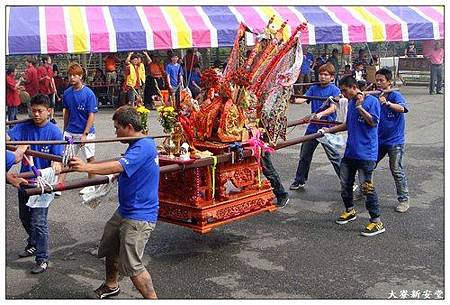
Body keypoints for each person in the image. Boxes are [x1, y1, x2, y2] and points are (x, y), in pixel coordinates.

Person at [69, 106, 159, 299]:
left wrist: (85, 166)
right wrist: (88, 166)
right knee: (111, 246)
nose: (115, 131)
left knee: (133, 265)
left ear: (128, 127)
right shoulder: (136, 144)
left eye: (117, 127)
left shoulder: (144, 145)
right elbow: (120, 160)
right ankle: (111, 285)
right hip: (125, 210)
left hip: (139, 215)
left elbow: (119, 165)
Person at [7, 94, 63, 272]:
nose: (36, 114)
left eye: (40, 111)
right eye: (33, 111)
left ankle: (42, 258)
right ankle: (33, 242)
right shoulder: (24, 126)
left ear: (49, 111)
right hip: (24, 180)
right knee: (25, 217)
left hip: (43, 184)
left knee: (39, 222)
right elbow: (8, 140)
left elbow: (58, 158)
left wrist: (56, 163)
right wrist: (14, 145)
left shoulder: (54, 131)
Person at [323, 75, 384, 237]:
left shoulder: (371, 101)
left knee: (367, 188)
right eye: (341, 90)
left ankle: (376, 222)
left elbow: (373, 122)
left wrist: (360, 107)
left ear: (353, 86)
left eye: (345, 90)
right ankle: (350, 211)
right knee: (345, 184)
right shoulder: (350, 102)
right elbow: (348, 124)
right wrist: (327, 131)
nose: (343, 93)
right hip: (350, 152)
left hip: (366, 154)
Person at [290, 63, 341, 190]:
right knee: (304, 155)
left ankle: (347, 181)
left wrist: (320, 114)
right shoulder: (314, 88)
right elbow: (303, 99)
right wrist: (292, 99)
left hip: (327, 128)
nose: (322, 77)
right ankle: (299, 180)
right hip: (313, 127)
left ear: (332, 77)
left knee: (334, 157)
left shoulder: (334, 90)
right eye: (321, 74)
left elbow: (333, 107)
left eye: (326, 75)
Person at [373, 68, 410, 212]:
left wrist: (387, 103)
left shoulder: (395, 95)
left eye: (381, 80)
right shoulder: (375, 96)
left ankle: (404, 199)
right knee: (368, 165)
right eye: (377, 80)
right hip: (379, 139)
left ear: (389, 82)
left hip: (395, 141)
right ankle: (364, 191)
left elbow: (403, 109)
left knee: (396, 169)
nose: (378, 83)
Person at [62, 63, 98, 195]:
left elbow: (91, 115)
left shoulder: (88, 93)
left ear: (81, 76)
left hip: (85, 132)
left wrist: (85, 133)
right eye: (70, 75)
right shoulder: (67, 93)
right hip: (71, 130)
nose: (71, 78)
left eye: (75, 75)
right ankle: (60, 184)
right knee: (66, 158)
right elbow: (67, 112)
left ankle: (91, 185)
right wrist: (64, 129)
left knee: (89, 158)